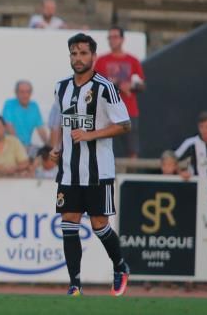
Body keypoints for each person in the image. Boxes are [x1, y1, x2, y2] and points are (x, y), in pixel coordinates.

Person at [49, 33, 131, 297]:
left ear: (93, 57)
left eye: (83, 53)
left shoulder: (105, 87)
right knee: (68, 222)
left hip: (98, 171)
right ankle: (75, 284)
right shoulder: (61, 87)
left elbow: (124, 124)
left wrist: (90, 135)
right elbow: (60, 121)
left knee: (99, 225)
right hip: (70, 171)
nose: (78, 58)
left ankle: (120, 266)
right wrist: (57, 147)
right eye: (74, 53)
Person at [94, 26, 145, 158]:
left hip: (129, 111)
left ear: (122, 39)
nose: (112, 40)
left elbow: (141, 85)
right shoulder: (101, 61)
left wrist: (130, 86)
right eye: (110, 37)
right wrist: (118, 85)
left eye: (115, 37)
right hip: (107, 112)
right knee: (103, 148)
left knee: (132, 150)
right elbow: (96, 84)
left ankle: (131, 177)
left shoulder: (133, 61)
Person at [176, 111, 207, 179]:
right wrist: (181, 173)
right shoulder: (191, 143)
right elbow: (172, 159)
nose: (204, 130)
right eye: (201, 126)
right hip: (196, 185)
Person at [2, 80, 49, 153]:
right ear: (16, 92)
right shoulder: (9, 104)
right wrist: (20, 147)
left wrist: (49, 147)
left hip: (27, 146)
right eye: (22, 92)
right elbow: (9, 127)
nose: (25, 95)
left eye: (28, 92)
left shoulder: (34, 106)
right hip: (10, 147)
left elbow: (41, 130)